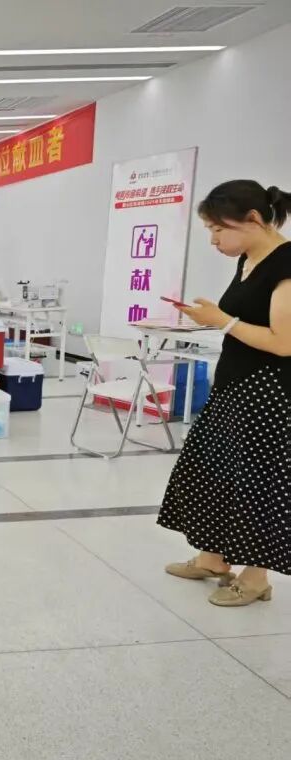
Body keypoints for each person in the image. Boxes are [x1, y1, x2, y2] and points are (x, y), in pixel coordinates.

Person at [160, 180, 291, 606]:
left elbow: (283, 342)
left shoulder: (286, 264)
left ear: (252, 220)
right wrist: (210, 318)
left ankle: (256, 578)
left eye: (218, 229)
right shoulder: (249, 259)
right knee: (211, 471)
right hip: (234, 386)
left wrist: (221, 321)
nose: (214, 240)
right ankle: (213, 559)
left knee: (255, 484)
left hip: (267, 393)